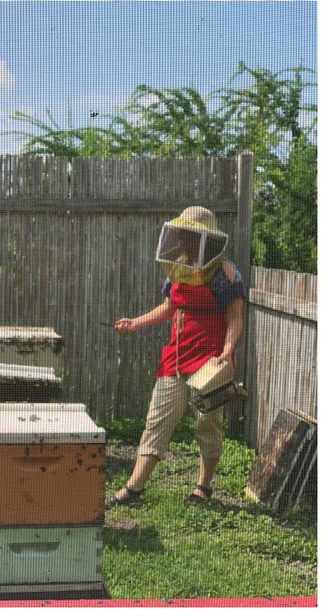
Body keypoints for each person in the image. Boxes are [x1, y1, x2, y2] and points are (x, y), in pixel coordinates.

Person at [109, 206, 245, 507]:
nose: (183, 238)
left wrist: (227, 351)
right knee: (157, 419)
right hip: (176, 356)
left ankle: (203, 488)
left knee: (206, 425)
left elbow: (236, 317)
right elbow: (169, 307)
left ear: (205, 237)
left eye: (189, 233)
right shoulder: (178, 266)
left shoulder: (226, 272)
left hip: (211, 361)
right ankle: (134, 489)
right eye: (182, 232)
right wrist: (136, 323)